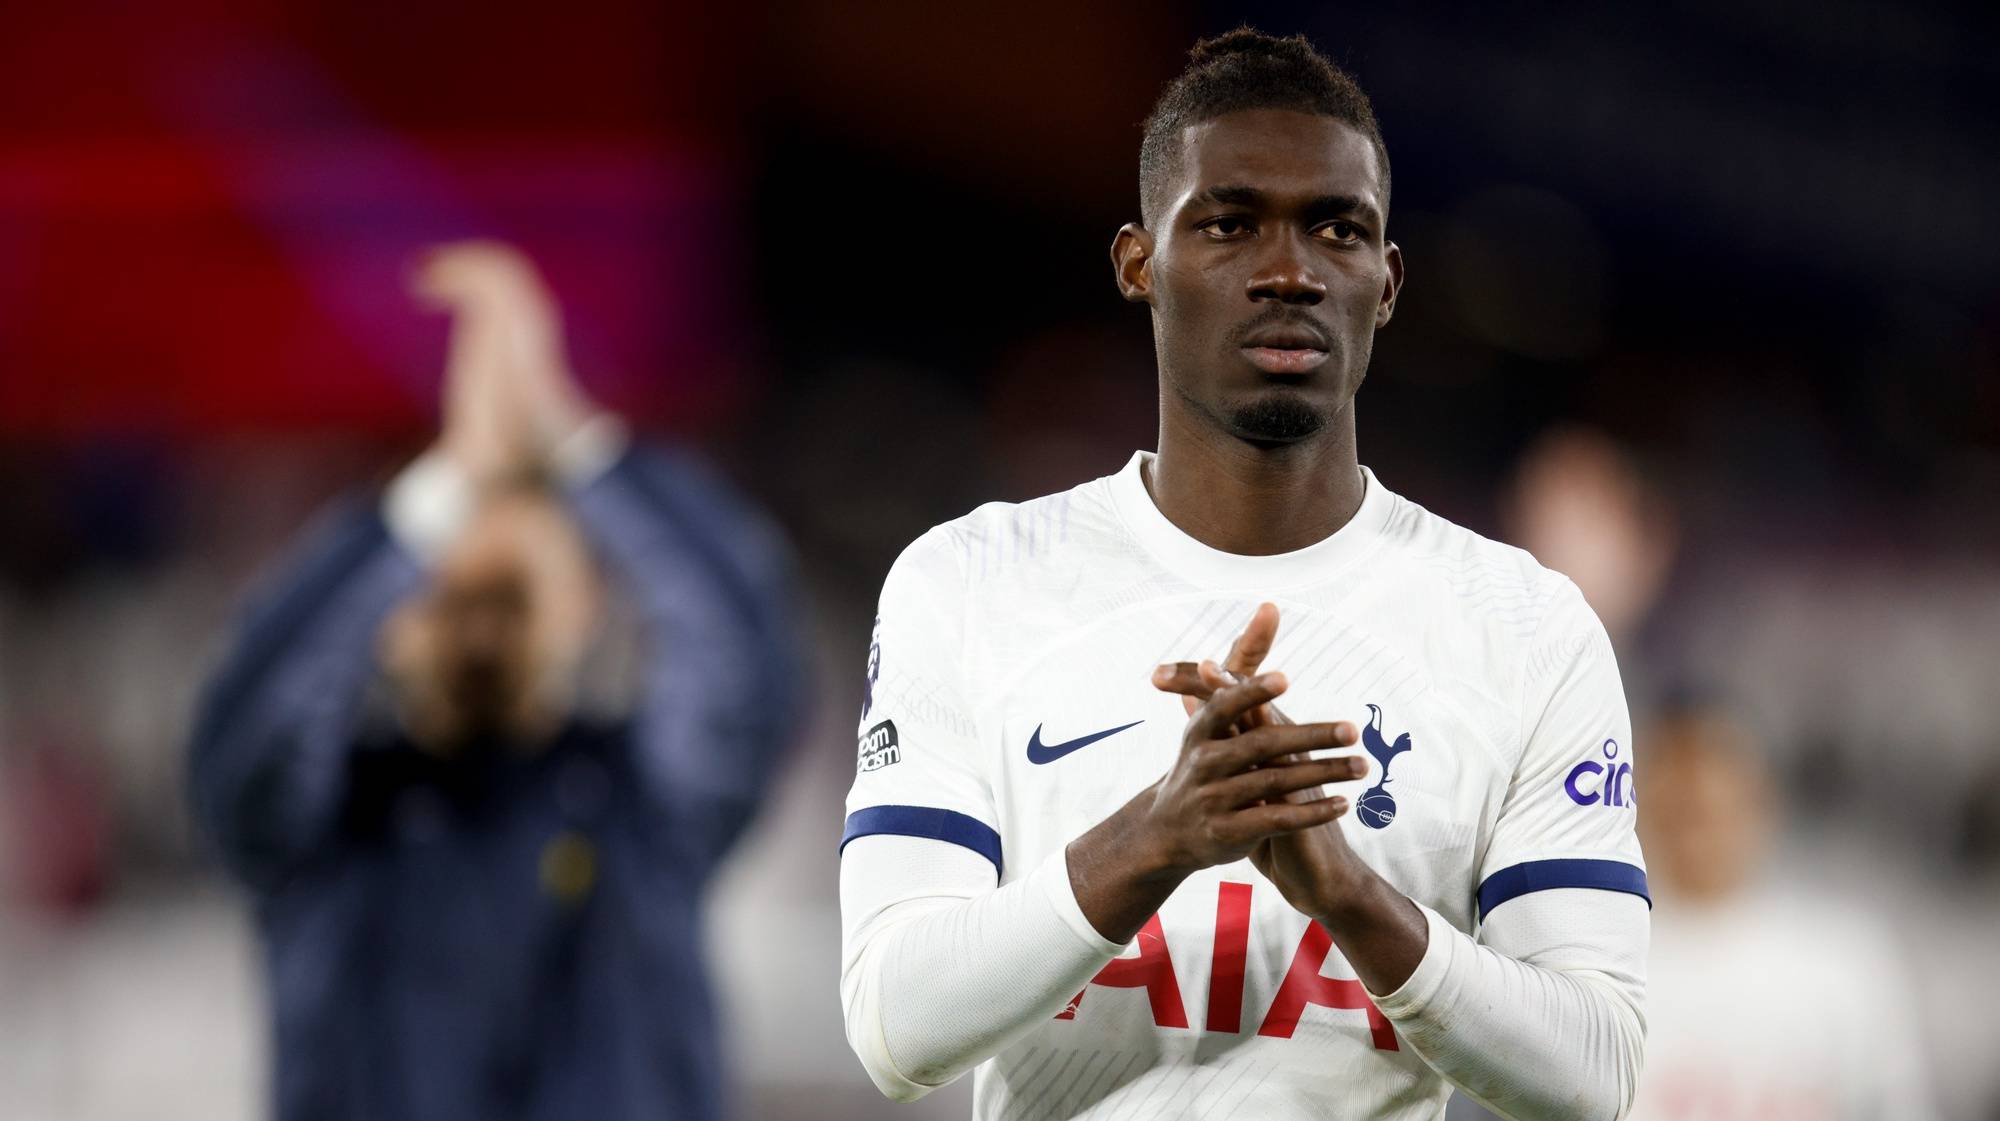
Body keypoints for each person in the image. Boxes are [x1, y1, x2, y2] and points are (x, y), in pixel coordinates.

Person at [838, 29, 1647, 1121]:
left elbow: (1596, 1075)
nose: (1288, 271)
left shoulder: (1524, 624)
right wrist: (1160, 834)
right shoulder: (969, 581)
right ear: (1137, 262)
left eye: (1336, 229)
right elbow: (894, 1027)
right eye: (1227, 223)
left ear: (1387, 280)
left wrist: (1352, 897)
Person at [187, 242, 803, 1121]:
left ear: (584, 607)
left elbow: (746, 656)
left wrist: (576, 439)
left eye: (515, 590)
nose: (483, 598)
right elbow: (247, 721)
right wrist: (443, 483)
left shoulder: (645, 804)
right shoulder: (321, 825)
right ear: (388, 616)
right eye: (452, 578)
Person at [1628, 705, 1936, 1121]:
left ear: (1761, 801)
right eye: (1682, 808)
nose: (1699, 823)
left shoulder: (1844, 960)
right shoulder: (1609, 962)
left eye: (1713, 804)